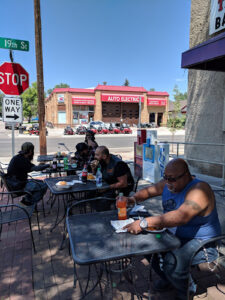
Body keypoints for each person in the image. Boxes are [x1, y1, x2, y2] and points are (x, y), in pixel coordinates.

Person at [122, 158, 221, 300]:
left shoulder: (199, 189)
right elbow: (149, 191)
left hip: (202, 241)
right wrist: (133, 199)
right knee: (147, 247)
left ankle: (186, 289)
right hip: (175, 234)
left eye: (172, 179)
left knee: (172, 262)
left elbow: (181, 216)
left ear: (186, 175)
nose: (168, 182)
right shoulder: (168, 184)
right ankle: (170, 278)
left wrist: (143, 222)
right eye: (165, 178)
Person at [91, 146, 134, 210]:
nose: (95, 157)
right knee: (91, 194)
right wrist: (93, 168)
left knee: (101, 201)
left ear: (104, 156)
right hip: (110, 184)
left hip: (122, 189)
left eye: (97, 155)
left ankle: (105, 214)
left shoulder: (118, 164)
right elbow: (97, 175)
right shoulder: (103, 161)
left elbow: (123, 184)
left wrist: (107, 187)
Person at [6, 142, 50, 206]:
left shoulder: (18, 157)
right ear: (30, 151)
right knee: (44, 186)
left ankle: (26, 200)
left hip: (14, 183)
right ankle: (28, 203)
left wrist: (41, 165)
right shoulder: (22, 160)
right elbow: (35, 168)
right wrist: (49, 165)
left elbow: (31, 167)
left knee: (40, 182)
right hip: (19, 186)